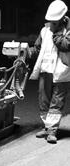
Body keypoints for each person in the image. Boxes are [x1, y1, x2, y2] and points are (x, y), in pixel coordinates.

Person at [29, 0, 70, 144]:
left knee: (57, 102)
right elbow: (38, 48)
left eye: (54, 22)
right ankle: (46, 127)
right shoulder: (44, 30)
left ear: (61, 19)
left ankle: (52, 131)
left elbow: (66, 45)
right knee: (43, 100)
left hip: (61, 72)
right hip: (46, 70)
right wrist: (26, 52)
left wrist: (57, 34)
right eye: (50, 21)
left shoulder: (67, 31)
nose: (51, 24)